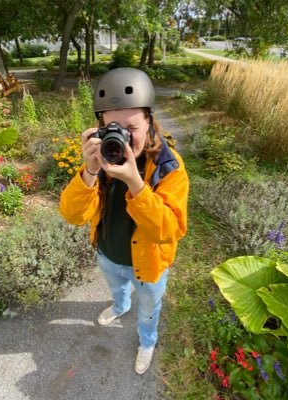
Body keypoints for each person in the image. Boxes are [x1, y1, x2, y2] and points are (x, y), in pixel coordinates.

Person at [59, 67, 189, 374]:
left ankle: (147, 341)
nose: (124, 138)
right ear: (100, 127)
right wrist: (89, 171)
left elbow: (169, 230)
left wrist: (136, 185)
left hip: (149, 267)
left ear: (149, 121)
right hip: (108, 254)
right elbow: (72, 215)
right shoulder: (101, 158)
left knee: (148, 310)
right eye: (113, 127)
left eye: (133, 127)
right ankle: (120, 306)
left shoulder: (169, 167)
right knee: (117, 290)